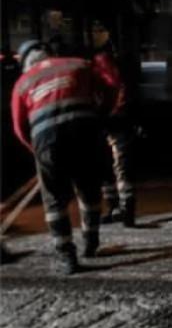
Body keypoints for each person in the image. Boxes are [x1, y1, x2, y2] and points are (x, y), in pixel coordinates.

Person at [10, 40, 120, 274]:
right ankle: (90, 242)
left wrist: (38, 151)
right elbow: (111, 84)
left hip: (47, 140)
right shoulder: (78, 64)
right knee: (88, 189)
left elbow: (19, 127)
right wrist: (102, 114)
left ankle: (67, 257)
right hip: (85, 132)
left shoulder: (22, 83)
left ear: (26, 61)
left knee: (54, 200)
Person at [90, 20, 136, 227]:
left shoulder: (102, 60)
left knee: (115, 166)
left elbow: (117, 88)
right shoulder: (113, 59)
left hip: (113, 120)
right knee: (114, 166)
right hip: (114, 119)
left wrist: (111, 113)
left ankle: (122, 209)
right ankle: (121, 208)